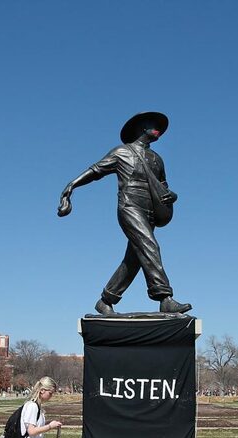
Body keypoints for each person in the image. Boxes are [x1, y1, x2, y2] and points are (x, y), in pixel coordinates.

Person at [57, 111, 192, 315]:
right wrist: (71, 186)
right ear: (141, 128)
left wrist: (173, 196)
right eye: (152, 124)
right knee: (150, 246)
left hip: (151, 211)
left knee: (135, 259)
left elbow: (164, 187)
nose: (158, 129)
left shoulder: (157, 159)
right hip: (130, 206)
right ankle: (164, 297)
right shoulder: (121, 152)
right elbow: (95, 171)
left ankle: (106, 300)